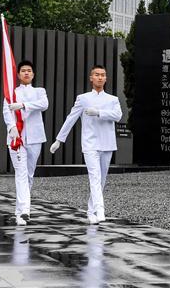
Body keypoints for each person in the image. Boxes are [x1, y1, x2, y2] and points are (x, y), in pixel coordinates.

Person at [50, 64, 122, 224]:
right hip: (90, 143)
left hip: (107, 143)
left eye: (103, 75)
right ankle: (100, 209)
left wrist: (99, 113)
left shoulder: (113, 99)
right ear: (91, 78)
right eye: (97, 74)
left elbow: (118, 116)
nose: (100, 77)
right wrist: (59, 140)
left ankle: (91, 211)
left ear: (106, 78)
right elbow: (71, 119)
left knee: (101, 179)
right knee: (94, 176)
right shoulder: (83, 99)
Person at [3, 59, 49, 226]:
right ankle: (25, 211)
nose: (26, 73)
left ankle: (20, 210)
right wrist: (11, 127)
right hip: (17, 138)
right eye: (23, 70)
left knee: (29, 175)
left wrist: (23, 105)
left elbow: (44, 105)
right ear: (18, 74)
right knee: (21, 173)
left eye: (29, 70)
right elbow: (6, 112)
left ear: (33, 74)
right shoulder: (11, 92)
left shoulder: (39, 91)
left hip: (35, 137)